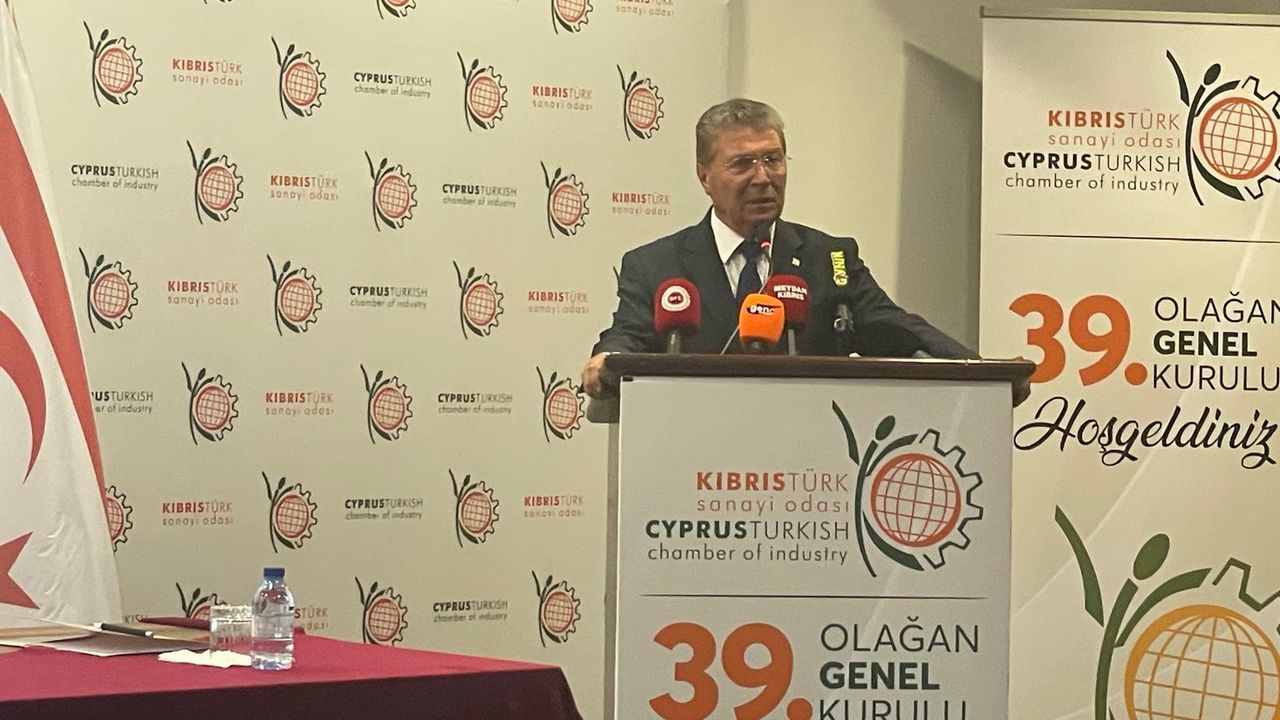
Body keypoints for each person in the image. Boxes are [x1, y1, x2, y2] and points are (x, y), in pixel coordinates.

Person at [582, 98, 1026, 404]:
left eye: (772, 159)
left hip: (809, 476)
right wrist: (605, 360)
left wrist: (981, 369)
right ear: (705, 177)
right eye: (742, 164)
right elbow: (627, 336)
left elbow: (896, 328)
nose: (763, 177)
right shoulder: (655, 265)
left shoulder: (829, 259)